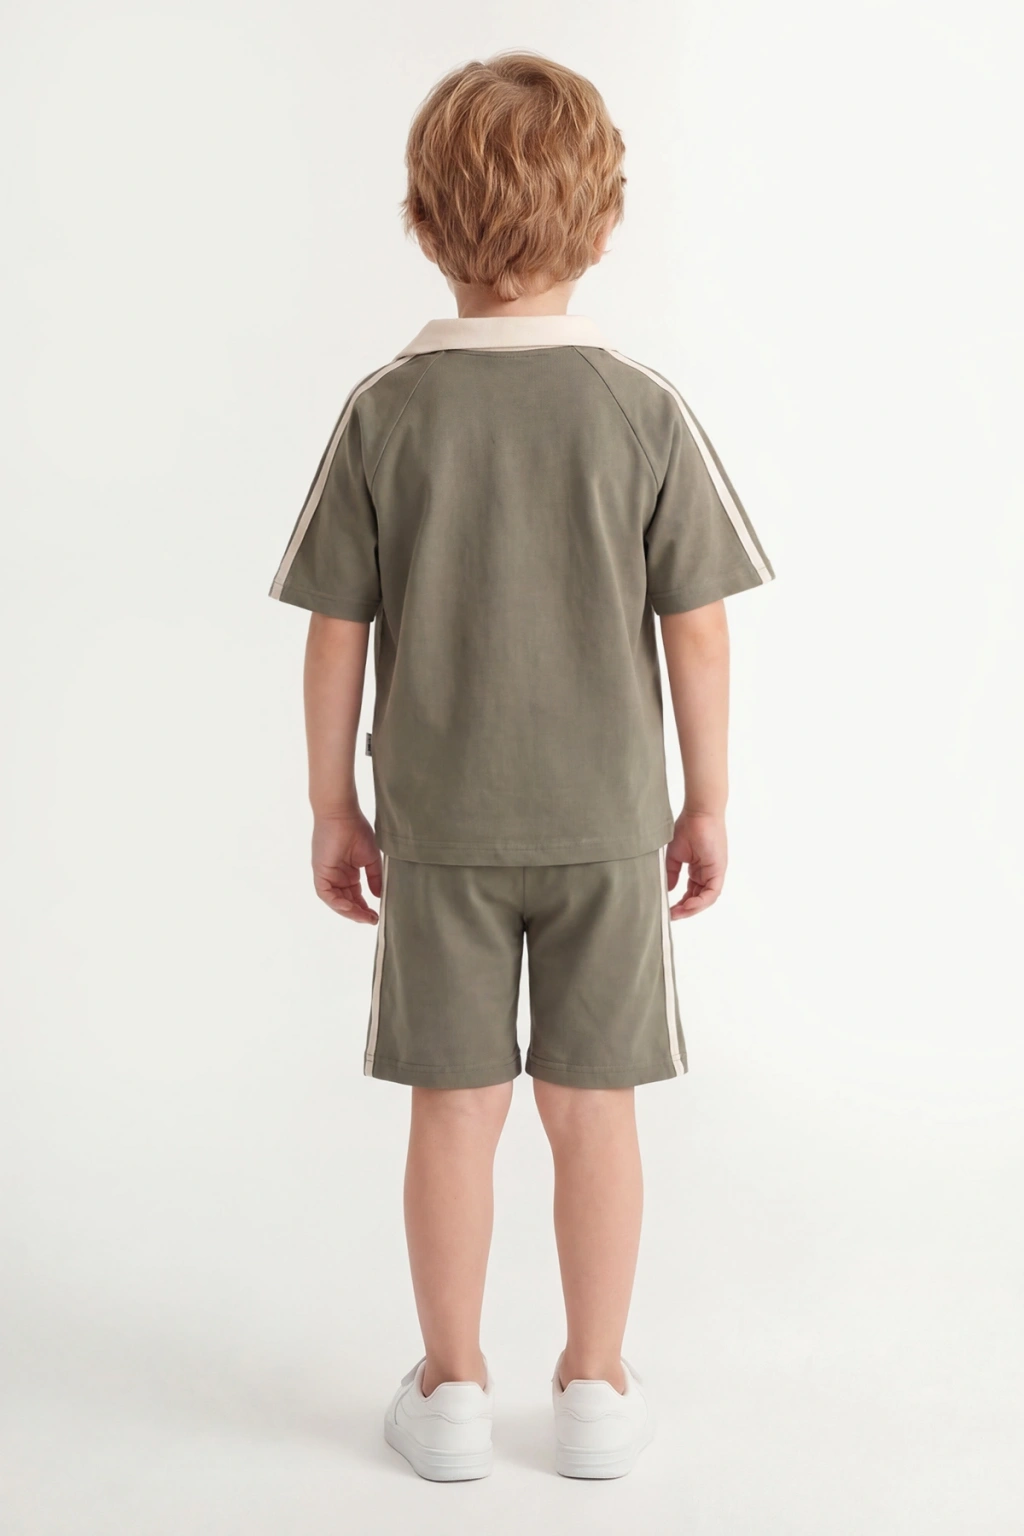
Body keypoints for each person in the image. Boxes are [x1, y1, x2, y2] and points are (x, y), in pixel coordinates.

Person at [268, 50, 774, 1482]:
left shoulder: (385, 412)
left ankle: (452, 1393)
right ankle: (597, 1388)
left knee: (455, 1109)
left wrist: (332, 803)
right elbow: (699, 629)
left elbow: (334, 635)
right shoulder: (639, 408)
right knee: (593, 1108)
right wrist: (707, 801)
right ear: (603, 224)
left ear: (423, 221)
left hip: (437, 832)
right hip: (609, 829)